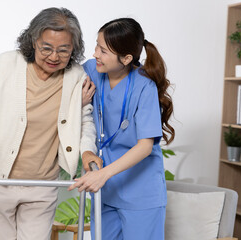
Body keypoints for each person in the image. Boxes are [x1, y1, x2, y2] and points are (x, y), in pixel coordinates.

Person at [0, 7, 101, 240]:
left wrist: (87, 152)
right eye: (47, 48)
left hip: (42, 185)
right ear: (33, 41)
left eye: (63, 50)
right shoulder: (6, 65)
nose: (54, 57)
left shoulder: (76, 77)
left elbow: (84, 120)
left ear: (74, 48)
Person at [69, 18, 175, 240]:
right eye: (96, 45)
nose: (96, 53)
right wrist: (75, 104)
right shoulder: (91, 70)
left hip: (140, 193)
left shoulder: (144, 85)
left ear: (126, 58)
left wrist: (103, 175)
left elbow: (145, 146)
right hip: (107, 191)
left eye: (104, 50)